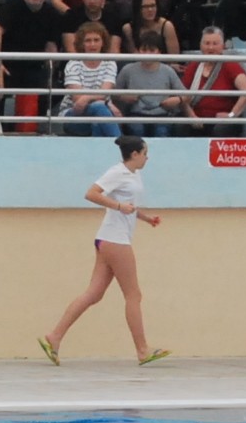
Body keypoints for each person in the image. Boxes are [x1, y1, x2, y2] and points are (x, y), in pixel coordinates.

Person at [38, 134, 168, 365]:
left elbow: (129, 206)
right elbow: (91, 193)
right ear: (135, 154)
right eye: (145, 153)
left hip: (108, 238)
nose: (148, 158)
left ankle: (54, 336)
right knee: (134, 295)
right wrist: (118, 206)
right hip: (115, 240)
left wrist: (146, 218)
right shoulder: (117, 172)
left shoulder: (134, 175)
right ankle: (142, 350)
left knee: (94, 294)